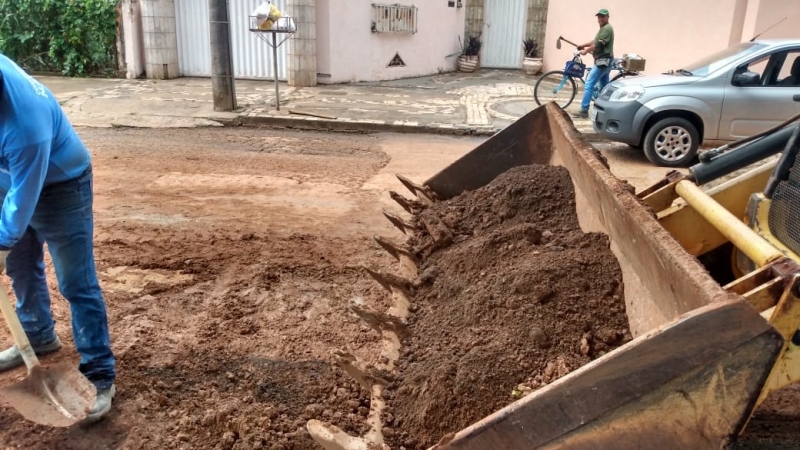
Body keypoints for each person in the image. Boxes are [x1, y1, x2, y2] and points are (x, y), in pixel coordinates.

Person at [0, 53, 116, 422]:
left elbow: (24, 197)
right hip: (8, 177)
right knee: (20, 266)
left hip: (61, 183)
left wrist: (2, 240)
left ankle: (99, 374)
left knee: (76, 282)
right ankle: (36, 335)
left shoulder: (25, 129)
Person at [572, 8, 615, 119]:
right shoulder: (603, 29)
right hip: (605, 60)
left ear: (607, 17)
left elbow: (598, 45)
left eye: (603, 16)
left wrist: (586, 50)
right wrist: (583, 45)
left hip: (603, 61)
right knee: (604, 87)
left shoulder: (607, 28)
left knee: (589, 84)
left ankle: (584, 110)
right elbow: (595, 41)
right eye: (599, 16)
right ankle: (606, 110)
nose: (600, 18)